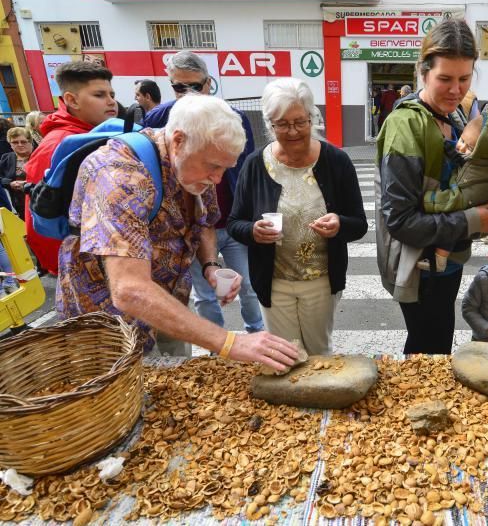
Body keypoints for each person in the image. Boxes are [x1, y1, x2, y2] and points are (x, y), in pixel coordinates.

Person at [57, 94, 299, 367]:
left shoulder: (194, 165)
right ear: (178, 141)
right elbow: (129, 289)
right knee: (122, 400)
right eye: (214, 167)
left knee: (176, 382)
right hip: (109, 326)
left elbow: (206, 220)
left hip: (167, 303)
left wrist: (210, 265)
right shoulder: (120, 175)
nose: (218, 179)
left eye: (225, 168)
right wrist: (230, 342)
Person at [375, 18, 488, 355]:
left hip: (449, 259)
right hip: (417, 264)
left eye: (464, 78)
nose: (456, 90)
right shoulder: (406, 126)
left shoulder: (454, 116)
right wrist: (471, 221)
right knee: (428, 347)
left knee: (437, 339)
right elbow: (400, 221)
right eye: (444, 78)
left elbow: (464, 183)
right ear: (423, 72)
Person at [228, 78, 367, 355]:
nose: (292, 131)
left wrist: (339, 224)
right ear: (270, 125)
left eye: (300, 122)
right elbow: (234, 222)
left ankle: (318, 398)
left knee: (318, 353)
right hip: (274, 280)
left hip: (321, 281)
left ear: (311, 118)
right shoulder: (255, 164)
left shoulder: (336, 161)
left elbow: (359, 224)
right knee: (285, 355)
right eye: (282, 124)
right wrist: (253, 231)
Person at [142, 51, 263, 334]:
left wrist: (248, 216)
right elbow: (129, 287)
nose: (189, 94)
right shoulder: (154, 126)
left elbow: (242, 172)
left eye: (195, 86)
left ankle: (256, 332)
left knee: (246, 284)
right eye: (179, 87)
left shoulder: (233, 119)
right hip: (184, 229)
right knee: (204, 295)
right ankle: (216, 347)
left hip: (230, 222)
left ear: (209, 83)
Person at [25, 61, 118, 276]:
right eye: (99, 95)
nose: (111, 102)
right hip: (82, 268)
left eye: (111, 94)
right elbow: (40, 218)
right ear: (72, 99)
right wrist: (67, 269)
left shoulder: (97, 136)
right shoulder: (59, 144)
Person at [418, 111, 488, 272]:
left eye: (468, 146)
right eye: (461, 139)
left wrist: (425, 200)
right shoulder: (481, 160)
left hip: (476, 220)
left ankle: (439, 260)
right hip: (477, 214)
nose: (460, 146)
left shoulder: (480, 171)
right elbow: (456, 152)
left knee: (451, 217)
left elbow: (454, 200)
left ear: (484, 152)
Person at [0, 127, 34, 218]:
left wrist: (28, 184)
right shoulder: (6, 158)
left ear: (30, 141)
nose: (19, 145)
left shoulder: (38, 155)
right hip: (17, 205)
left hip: (37, 201)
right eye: (15, 142)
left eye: (23, 142)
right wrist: (10, 183)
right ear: (10, 144)